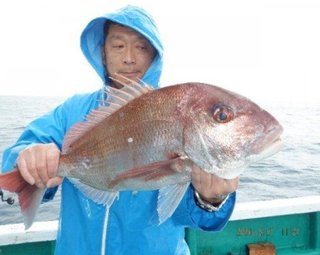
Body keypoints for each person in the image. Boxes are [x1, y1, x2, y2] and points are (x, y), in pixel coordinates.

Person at [1, 5, 239, 255]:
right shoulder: (72, 111)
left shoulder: (177, 111)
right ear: (102, 53)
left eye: (141, 47)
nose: (129, 57)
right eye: (117, 46)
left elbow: (193, 217)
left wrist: (210, 200)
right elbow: (13, 158)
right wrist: (29, 157)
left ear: (154, 55)